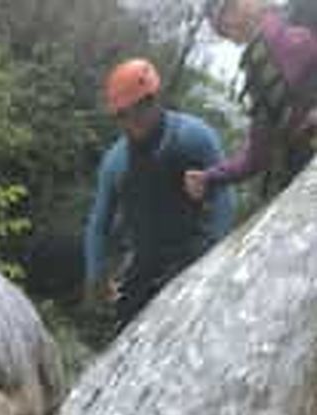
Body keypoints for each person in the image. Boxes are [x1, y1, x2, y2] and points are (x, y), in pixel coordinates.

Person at [85, 58, 234, 328]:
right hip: (145, 264)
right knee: (128, 322)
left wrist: (216, 254)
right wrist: (96, 274)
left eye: (140, 108)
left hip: (194, 253)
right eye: (124, 115)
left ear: (155, 100)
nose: (133, 120)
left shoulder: (194, 136)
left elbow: (223, 196)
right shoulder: (116, 162)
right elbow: (98, 225)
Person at [184, 0, 317, 203]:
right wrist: (211, 176)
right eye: (223, 31)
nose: (230, 36)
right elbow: (256, 154)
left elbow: (256, 157)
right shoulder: (261, 63)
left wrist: (211, 176)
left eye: (225, 26)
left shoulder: (263, 58)